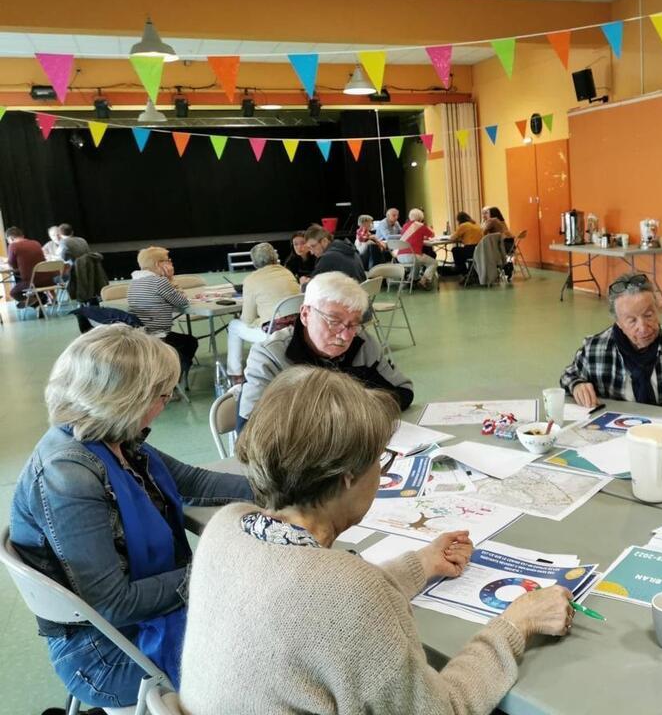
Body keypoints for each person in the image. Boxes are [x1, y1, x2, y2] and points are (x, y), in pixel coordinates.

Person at [179, 365, 574, 714]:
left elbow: (311, 604)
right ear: (348, 476)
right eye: (380, 460)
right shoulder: (350, 594)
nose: (382, 475)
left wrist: (420, 564)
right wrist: (515, 623)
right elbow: (446, 709)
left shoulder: (227, 526)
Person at [9, 325, 253, 708]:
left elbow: (193, 481)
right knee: (264, 642)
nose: (168, 400)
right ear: (123, 402)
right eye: (161, 393)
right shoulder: (68, 476)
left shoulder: (111, 438)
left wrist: (283, 489)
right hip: (105, 656)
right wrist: (216, 568)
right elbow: (114, 604)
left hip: (125, 630)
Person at [238, 272, 413, 427]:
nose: (345, 336)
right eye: (334, 321)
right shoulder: (269, 357)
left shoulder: (363, 343)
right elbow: (250, 430)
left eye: (353, 324)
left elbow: (403, 392)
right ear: (306, 314)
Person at [560, 272, 662, 411]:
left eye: (648, 315)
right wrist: (577, 385)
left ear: (658, 309)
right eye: (632, 321)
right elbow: (568, 376)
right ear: (618, 322)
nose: (643, 328)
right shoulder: (595, 348)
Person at [226, 242, 300, 384]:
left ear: (254, 262)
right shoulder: (287, 272)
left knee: (234, 326)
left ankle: (236, 375)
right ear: (275, 257)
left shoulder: (251, 280)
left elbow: (247, 319)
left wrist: (259, 320)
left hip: (272, 332)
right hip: (296, 329)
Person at [127, 246, 198, 378]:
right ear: (158, 264)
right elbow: (183, 301)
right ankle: (171, 379)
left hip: (140, 334)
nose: (171, 263)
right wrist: (171, 279)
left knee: (188, 341)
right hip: (158, 336)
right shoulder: (159, 282)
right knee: (189, 343)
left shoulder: (134, 282)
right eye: (168, 260)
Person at [4, 226, 54, 306]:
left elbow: (12, 265)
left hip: (33, 282)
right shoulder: (36, 243)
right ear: (22, 236)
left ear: (11, 238)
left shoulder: (13, 246)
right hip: (49, 280)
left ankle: (37, 302)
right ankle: (39, 301)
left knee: (14, 293)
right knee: (32, 286)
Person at [397, 208, 437, 290]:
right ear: (420, 217)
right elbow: (432, 235)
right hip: (412, 255)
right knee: (433, 263)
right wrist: (429, 228)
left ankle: (412, 280)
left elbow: (410, 237)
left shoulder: (405, 225)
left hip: (400, 256)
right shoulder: (420, 225)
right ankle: (423, 281)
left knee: (417, 263)